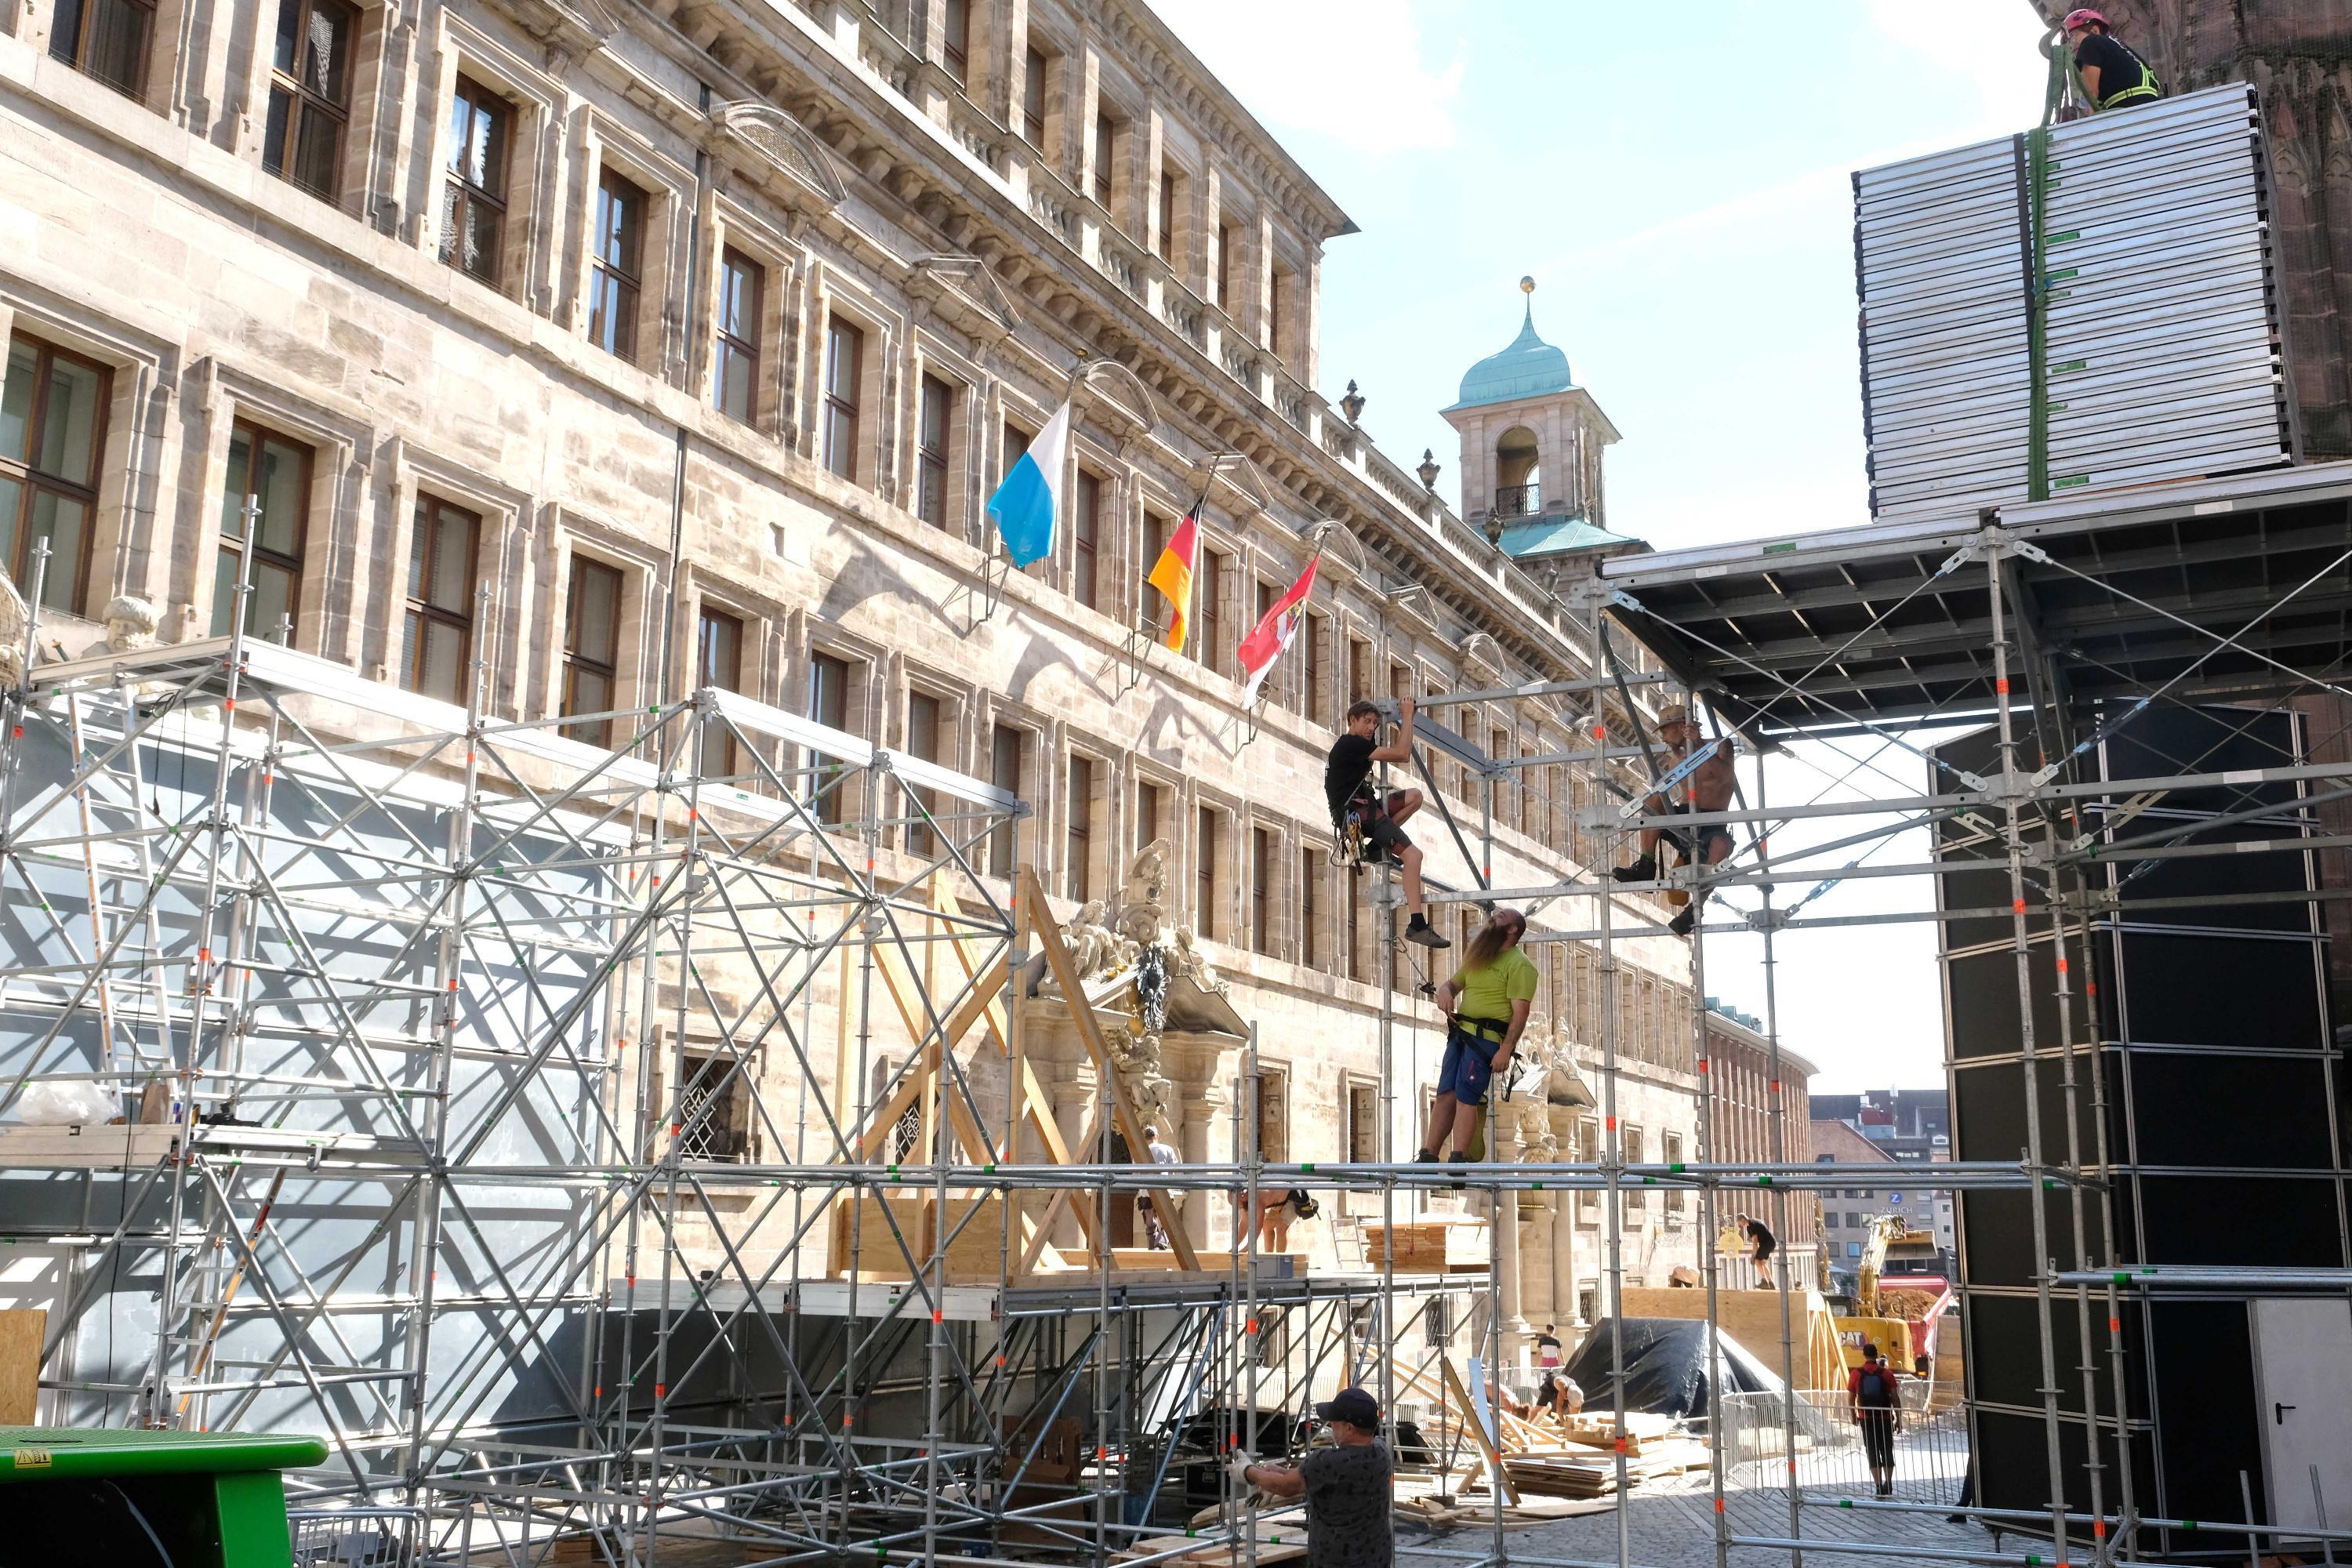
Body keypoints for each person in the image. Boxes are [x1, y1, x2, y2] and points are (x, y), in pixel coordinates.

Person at [1415, 909, 1536, 1165]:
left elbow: (1520, 1014)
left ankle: (1459, 1157)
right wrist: (1446, 992)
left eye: (1501, 917)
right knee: (1446, 1093)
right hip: (1460, 1035)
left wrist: (1506, 1049)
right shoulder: (1478, 957)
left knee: (1466, 1097)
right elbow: (1453, 983)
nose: (1493, 917)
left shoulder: (1520, 965)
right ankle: (1429, 1155)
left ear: (1513, 929)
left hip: (1485, 1040)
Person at [1325, 698, 1447, 948]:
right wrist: (1407, 716)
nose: (1372, 727)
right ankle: (1417, 923)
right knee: (1414, 856)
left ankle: (1373, 848)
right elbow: (1402, 754)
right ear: (1352, 721)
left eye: (1375, 723)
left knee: (1414, 796)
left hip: (1363, 807)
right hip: (1358, 812)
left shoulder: (1358, 744)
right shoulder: (1350, 744)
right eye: (1367, 722)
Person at [1234, 1386, 1394, 1568]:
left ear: (1349, 1428)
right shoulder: (1381, 1452)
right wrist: (1279, 1473)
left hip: (1338, 1561)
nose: (1330, 1425)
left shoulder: (1328, 1461)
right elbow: (1314, 1479)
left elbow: (1288, 1487)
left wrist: (1248, 1471)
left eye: (1334, 1422)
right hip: (1376, 1557)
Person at [1610, 705, 1735, 936]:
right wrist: (1680, 754)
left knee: (1721, 847)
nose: (1664, 738)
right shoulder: (1673, 758)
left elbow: (1724, 775)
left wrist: (1697, 746)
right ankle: (1646, 863)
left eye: (1666, 731)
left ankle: (1695, 907)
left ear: (1681, 727)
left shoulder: (1718, 745)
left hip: (1713, 817)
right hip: (1687, 814)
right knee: (1655, 800)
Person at [2063, 9, 2161, 112]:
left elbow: (2090, 93)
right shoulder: (2121, 52)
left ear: (2095, 30)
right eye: (2067, 42)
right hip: (2150, 108)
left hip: (2128, 109)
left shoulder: (2090, 42)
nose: (2071, 45)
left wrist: (2084, 123)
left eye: (2073, 37)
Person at [1849, 1342, 1903, 1497]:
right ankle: (1889, 1483)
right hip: (1884, 1417)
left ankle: (1878, 1486)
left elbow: (1851, 1398)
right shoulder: (1886, 1374)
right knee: (1886, 1450)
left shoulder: (1856, 1374)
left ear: (1864, 1355)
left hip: (1866, 1418)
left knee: (1871, 1451)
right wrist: (1899, 1419)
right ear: (1876, 1354)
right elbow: (1895, 1398)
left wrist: (1853, 1416)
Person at [1232, 1186, 1319, 1253]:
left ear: (1242, 1196)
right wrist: (1235, 1246)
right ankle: (1269, 1257)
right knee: (1267, 1226)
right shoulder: (1245, 1201)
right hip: (1279, 1201)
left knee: (1281, 1226)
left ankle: (1280, 1260)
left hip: (1293, 1197)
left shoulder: (1256, 1200)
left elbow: (1257, 1226)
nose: (1238, 1207)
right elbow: (1244, 1224)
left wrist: (1248, 1246)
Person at [1142, 1125, 1179, 1249]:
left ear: (1145, 1137)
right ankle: (1161, 1244)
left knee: (1150, 1222)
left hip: (1146, 1193)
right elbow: (1175, 1169)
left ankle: (1152, 1247)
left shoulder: (1140, 1150)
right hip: (1164, 1189)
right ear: (1157, 1136)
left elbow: (1134, 1173)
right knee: (1169, 1221)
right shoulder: (1167, 1149)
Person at [1740, 1214, 1777, 1289]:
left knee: (1757, 1260)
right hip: (1771, 1242)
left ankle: (1764, 1281)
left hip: (1767, 1243)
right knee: (1762, 1263)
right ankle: (1771, 1283)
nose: (1740, 1224)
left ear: (1743, 1220)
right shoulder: (1752, 1224)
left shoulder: (1752, 1225)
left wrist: (1753, 1256)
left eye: (1739, 1222)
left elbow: (1755, 1242)